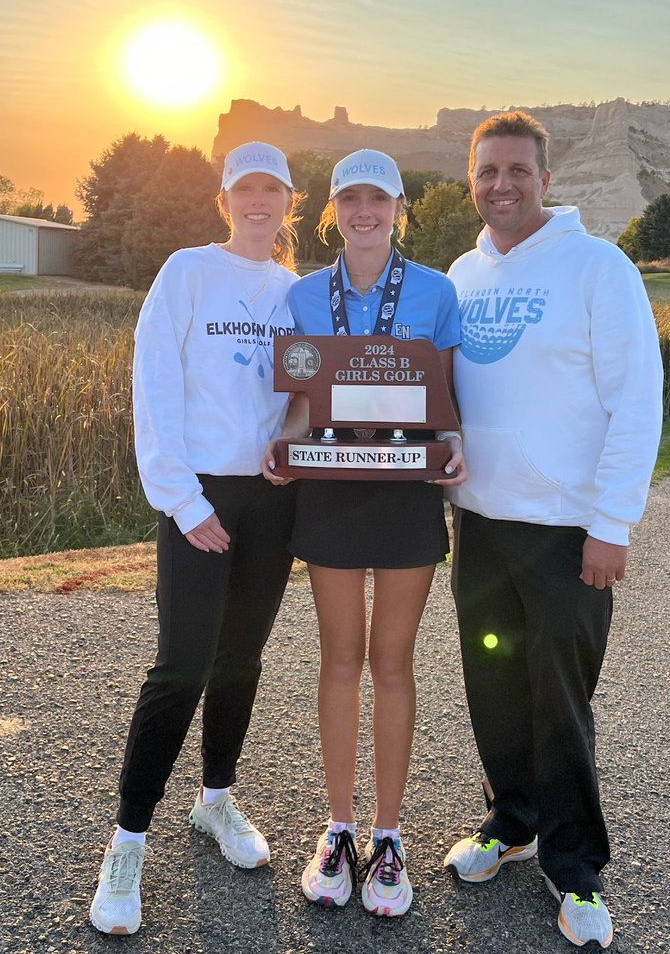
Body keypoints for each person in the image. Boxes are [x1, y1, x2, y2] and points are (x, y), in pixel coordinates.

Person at [443, 111, 663, 949]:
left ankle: (576, 870)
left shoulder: (597, 269)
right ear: (472, 178)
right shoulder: (462, 273)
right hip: (482, 529)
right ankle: (512, 822)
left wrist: (613, 523)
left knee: (560, 702)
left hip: (569, 532)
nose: (502, 184)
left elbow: (636, 402)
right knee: (493, 688)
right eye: (487, 171)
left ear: (545, 178)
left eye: (516, 170)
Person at [90, 142, 302, 936]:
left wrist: (296, 449)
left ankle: (215, 801)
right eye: (244, 189)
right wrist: (182, 500)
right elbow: (156, 392)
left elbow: (306, 392)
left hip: (273, 502)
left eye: (271, 190)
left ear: (289, 201)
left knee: (241, 659)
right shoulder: (185, 273)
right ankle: (127, 841)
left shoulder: (294, 290)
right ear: (225, 201)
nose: (258, 202)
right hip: (200, 499)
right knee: (181, 665)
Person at [263, 149, 466, 918]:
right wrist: (283, 448)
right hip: (333, 493)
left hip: (407, 492)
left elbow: (444, 394)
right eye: (349, 200)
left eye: (377, 200)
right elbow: (304, 400)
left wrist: (457, 443)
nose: (363, 212)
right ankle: (339, 828)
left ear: (400, 208)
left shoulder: (438, 291)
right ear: (332, 210)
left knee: (392, 662)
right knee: (340, 658)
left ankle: (389, 836)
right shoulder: (305, 295)